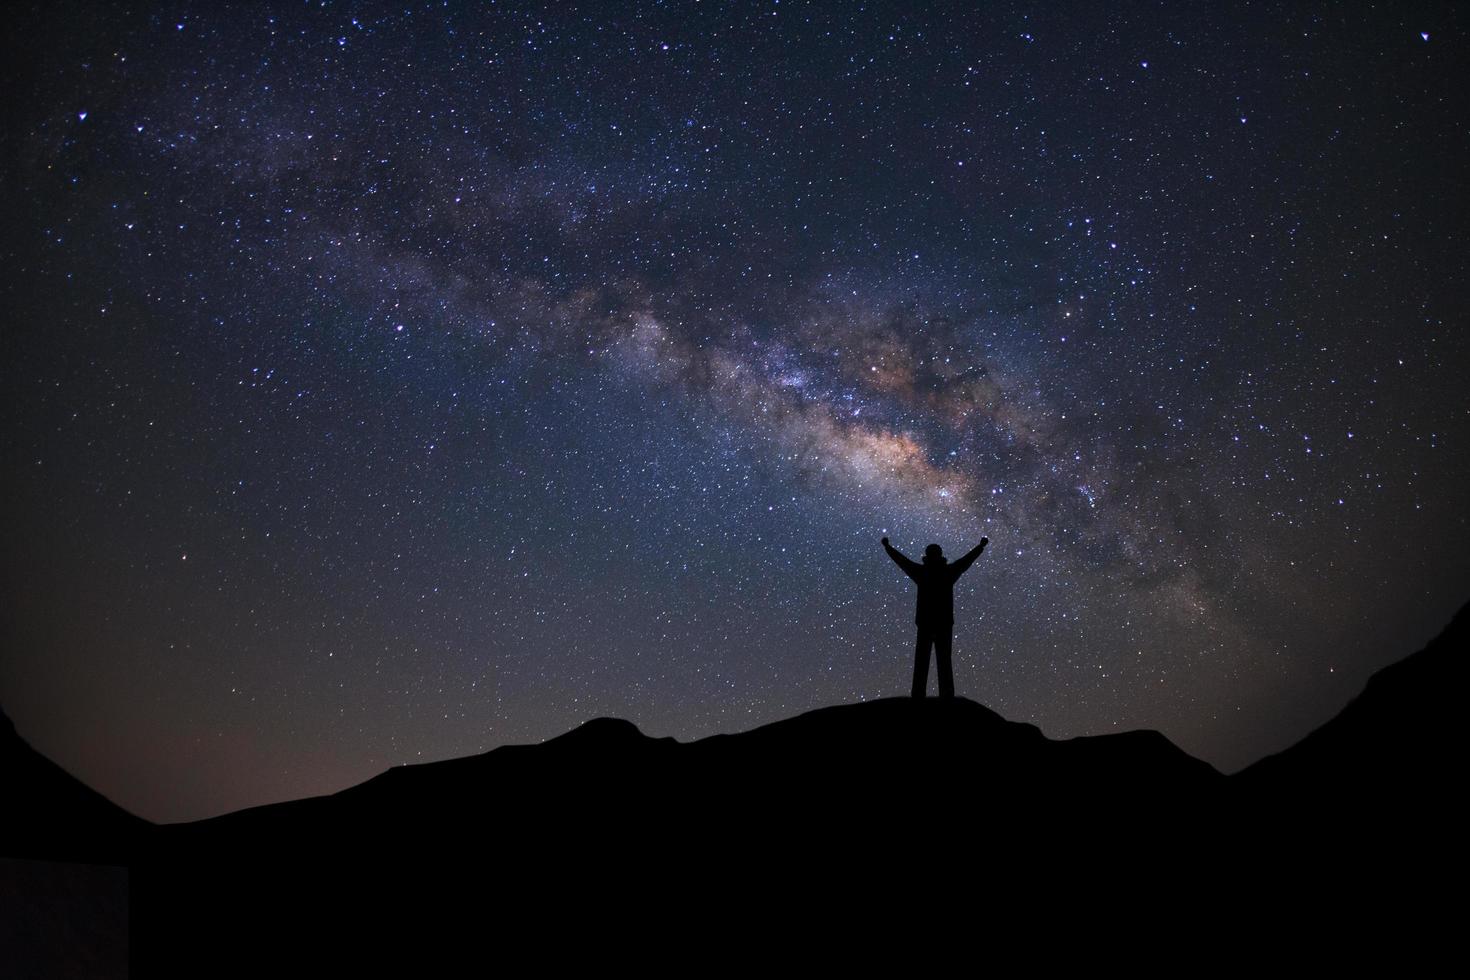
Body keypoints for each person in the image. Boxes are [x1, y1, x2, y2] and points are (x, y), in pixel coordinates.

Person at [882, 535, 988, 698]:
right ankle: (945, 695)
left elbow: (902, 561)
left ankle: (920, 695)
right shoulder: (947, 572)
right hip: (941, 622)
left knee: (924, 661)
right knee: (942, 661)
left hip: (927, 621)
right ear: (939, 554)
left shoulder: (923, 572)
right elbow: (966, 560)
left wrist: (888, 548)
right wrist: (980, 547)